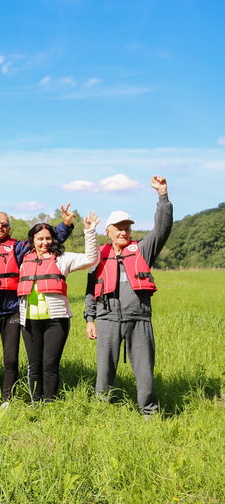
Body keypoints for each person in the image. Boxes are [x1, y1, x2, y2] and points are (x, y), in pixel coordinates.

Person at [84, 176, 172, 416]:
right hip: (106, 319)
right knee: (104, 372)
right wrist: (89, 319)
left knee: (144, 371)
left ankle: (150, 413)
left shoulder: (142, 249)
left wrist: (162, 197)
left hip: (138, 319)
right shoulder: (98, 255)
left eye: (127, 228)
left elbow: (162, 228)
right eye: (119, 228)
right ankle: (103, 413)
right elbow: (91, 290)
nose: (124, 232)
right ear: (109, 231)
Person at [0, 206, 76, 406]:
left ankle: (7, 399)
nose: (0, 227)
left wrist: (65, 225)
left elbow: (44, 244)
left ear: (9, 229)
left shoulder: (17, 248)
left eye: (5, 225)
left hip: (11, 311)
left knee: (11, 360)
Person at [18, 212, 100, 402]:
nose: (44, 242)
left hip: (56, 321)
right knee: (34, 365)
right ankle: (35, 403)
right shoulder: (23, 260)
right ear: (32, 240)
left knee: (50, 364)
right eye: (40, 239)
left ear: (53, 239)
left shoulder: (62, 259)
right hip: (29, 321)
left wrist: (89, 231)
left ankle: (50, 403)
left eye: (48, 238)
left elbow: (91, 258)